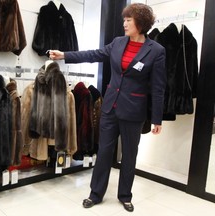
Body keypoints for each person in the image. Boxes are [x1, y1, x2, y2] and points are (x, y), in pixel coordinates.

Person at [49, 3, 166, 212]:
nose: (124, 23)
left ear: (141, 23)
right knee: (103, 152)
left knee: (129, 155)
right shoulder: (118, 43)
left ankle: (125, 195)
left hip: (133, 111)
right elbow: (94, 54)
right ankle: (96, 194)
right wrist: (65, 55)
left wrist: (157, 118)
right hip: (110, 107)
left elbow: (158, 88)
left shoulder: (156, 51)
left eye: (129, 20)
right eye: (124, 19)